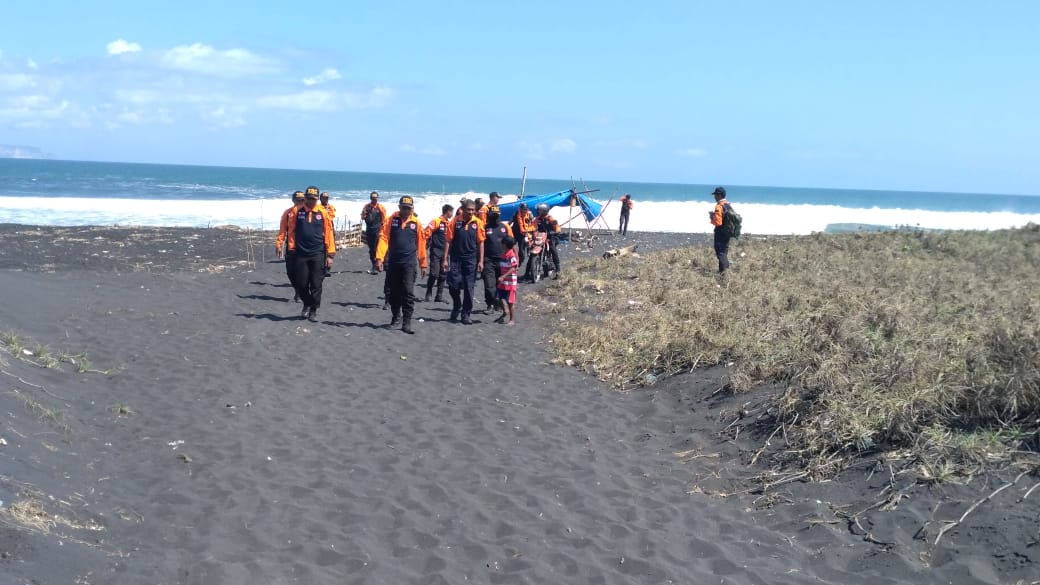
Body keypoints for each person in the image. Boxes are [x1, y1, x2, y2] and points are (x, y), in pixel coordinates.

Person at [375, 196, 427, 334]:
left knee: (408, 292)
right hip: (394, 262)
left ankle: (407, 321)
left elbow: (421, 244)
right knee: (394, 293)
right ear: (399, 207)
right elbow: (384, 238)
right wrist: (379, 258)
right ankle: (396, 317)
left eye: (408, 208)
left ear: (412, 209)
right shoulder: (392, 220)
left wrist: (423, 264)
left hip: (409, 263)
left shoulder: (416, 223)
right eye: (403, 207)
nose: (406, 210)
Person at [286, 186, 335, 322]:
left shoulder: (322, 212)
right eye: (308, 198)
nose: (310, 201)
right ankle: (307, 302)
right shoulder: (298, 211)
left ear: (317, 199)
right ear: (305, 198)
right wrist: (291, 247)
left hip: (318, 253)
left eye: (313, 199)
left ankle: (313, 309)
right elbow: (291, 231)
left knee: (316, 284)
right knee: (301, 283)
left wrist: (330, 255)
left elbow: (329, 233)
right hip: (301, 253)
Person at [443, 199, 485, 324]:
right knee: (453, 285)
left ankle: (466, 314)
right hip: (456, 258)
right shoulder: (455, 222)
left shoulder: (477, 223)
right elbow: (448, 241)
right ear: (462, 209)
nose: (471, 212)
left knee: (469, 287)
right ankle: (457, 305)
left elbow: (481, 242)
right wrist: (445, 259)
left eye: (473, 210)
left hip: (471, 259)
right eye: (469, 209)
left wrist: (481, 261)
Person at [480, 205, 513, 314]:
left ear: (499, 215)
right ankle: (490, 304)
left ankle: (498, 305)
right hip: (488, 260)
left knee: (501, 285)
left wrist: (514, 258)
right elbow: (480, 244)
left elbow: (512, 242)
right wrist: (479, 260)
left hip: (503, 260)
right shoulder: (485, 227)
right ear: (489, 215)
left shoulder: (505, 227)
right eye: (492, 214)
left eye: (496, 215)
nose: (495, 217)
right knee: (489, 285)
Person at [275, 190, 306, 302]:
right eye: (298, 200)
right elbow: (283, 230)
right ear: (293, 200)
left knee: (303, 273)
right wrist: (279, 243)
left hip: (305, 247)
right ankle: (298, 290)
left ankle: (302, 293)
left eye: (302, 200)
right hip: (291, 247)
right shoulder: (288, 213)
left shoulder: (309, 212)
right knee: (291, 272)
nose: (300, 202)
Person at [423, 203, 453, 302]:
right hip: (436, 250)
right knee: (434, 273)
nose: (452, 214)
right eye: (451, 212)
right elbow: (427, 232)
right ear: (447, 211)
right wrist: (424, 245)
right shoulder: (436, 221)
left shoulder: (449, 224)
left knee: (443, 273)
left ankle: (439, 296)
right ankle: (428, 292)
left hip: (446, 251)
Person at [526, 202, 560, 280]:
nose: (539, 212)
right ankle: (527, 273)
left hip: (549, 237)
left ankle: (558, 271)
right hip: (539, 237)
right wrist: (528, 230)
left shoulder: (550, 218)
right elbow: (532, 226)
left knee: (553, 251)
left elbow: (557, 227)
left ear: (545, 211)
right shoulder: (537, 219)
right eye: (539, 210)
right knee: (532, 253)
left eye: (541, 210)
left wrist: (556, 231)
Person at [360, 191, 386, 274]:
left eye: (376, 198)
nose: (374, 200)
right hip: (370, 230)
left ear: (377, 198)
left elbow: (384, 220)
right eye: (373, 198)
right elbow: (362, 217)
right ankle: (374, 266)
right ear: (370, 198)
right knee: (372, 249)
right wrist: (364, 214)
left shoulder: (381, 207)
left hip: (378, 230)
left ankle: (381, 264)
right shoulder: (367, 207)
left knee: (380, 248)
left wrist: (383, 230)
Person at [495, 236, 518, 326]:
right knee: (498, 297)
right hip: (503, 282)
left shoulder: (511, 255)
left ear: (505, 245)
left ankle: (512, 319)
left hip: (510, 282)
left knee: (510, 301)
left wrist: (503, 276)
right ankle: (505, 311)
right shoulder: (504, 253)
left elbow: (513, 267)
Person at [709, 186, 732, 273]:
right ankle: (722, 271)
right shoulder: (728, 204)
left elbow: (718, 222)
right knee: (724, 252)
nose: (714, 197)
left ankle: (725, 273)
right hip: (728, 232)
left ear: (719, 195)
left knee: (720, 253)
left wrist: (712, 217)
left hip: (720, 233)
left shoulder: (719, 206)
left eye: (715, 195)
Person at [509, 202, 533, 268]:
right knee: (510, 246)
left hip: (523, 234)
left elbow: (532, 223)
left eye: (525, 209)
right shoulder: (516, 214)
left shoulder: (529, 214)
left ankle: (520, 261)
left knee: (522, 250)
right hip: (515, 232)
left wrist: (531, 233)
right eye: (523, 209)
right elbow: (510, 222)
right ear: (520, 209)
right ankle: (510, 260)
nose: (524, 210)